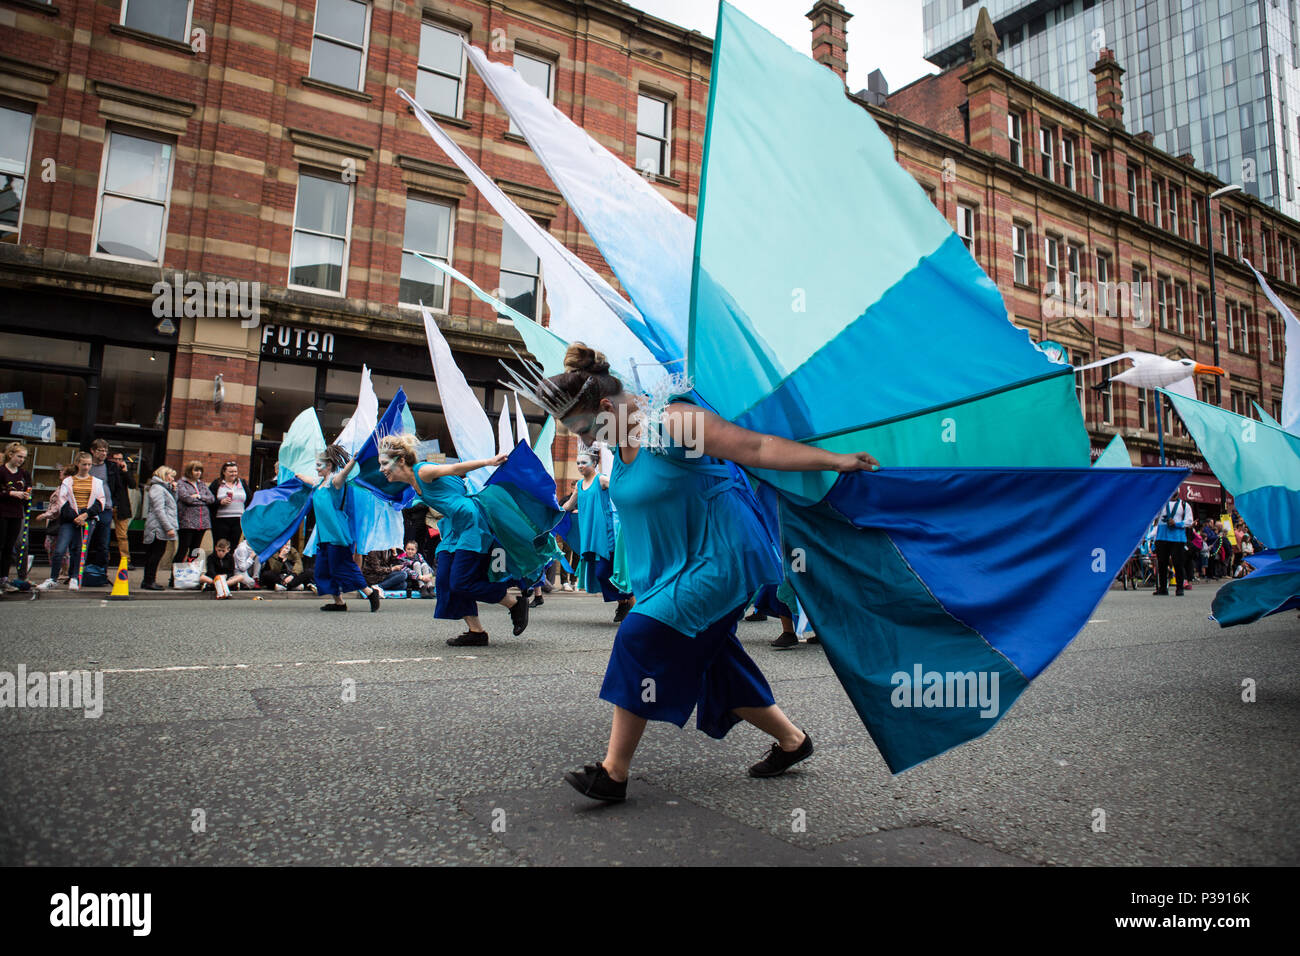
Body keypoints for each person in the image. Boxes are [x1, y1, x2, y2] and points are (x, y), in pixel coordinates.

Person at [519, 343, 879, 802]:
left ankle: (613, 773)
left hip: (721, 559)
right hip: (670, 571)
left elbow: (753, 447)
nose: (587, 441)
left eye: (586, 428)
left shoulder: (672, 423)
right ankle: (793, 741)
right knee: (714, 660)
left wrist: (836, 460)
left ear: (607, 407)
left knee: (640, 637)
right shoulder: (620, 445)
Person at [376, 433, 528, 644]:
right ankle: (477, 633)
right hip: (452, 528)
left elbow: (456, 468)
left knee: (462, 582)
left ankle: (514, 603)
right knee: (446, 581)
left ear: (401, 460)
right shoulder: (411, 484)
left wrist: (489, 461)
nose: (381, 469)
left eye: (384, 463)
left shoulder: (423, 471)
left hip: (470, 523)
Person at [295, 444, 381, 612]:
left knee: (342, 567)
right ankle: (339, 603)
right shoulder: (320, 483)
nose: (316, 467)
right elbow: (307, 479)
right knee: (323, 570)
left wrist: (355, 459)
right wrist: (296, 474)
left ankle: (370, 593)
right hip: (324, 537)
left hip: (337, 534)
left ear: (329, 466)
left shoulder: (335, 482)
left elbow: (344, 473)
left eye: (319, 465)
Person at [561, 450, 635, 622]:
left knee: (604, 572)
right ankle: (624, 603)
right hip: (590, 536)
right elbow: (568, 506)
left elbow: (620, 489)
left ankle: (630, 605)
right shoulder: (579, 485)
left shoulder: (601, 479)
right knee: (602, 573)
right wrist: (550, 511)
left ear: (594, 464)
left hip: (606, 534)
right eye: (578, 462)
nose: (580, 466)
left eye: (584, 462)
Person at [39, 452, 105, 590]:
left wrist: (85, 515)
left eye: (89, 464)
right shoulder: (68, 481)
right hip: (70, 519)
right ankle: (53, 578)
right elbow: (62, 501)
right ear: (77, 464)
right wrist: (75, 516)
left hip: (87, 519)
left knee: (79, 550)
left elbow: (100, 501)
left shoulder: (97, 482)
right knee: (60, 549)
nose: (87, 467)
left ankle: (74, 577)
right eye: (84, 464)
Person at [86, 438, 128, 569]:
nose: (103, 453)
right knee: (85, 541)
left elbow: (118, 486)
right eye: (100, 450)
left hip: (106, 508)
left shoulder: (111, 466)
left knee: (103, 542)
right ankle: (80, 571)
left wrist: (113, 502)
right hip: (87, 508)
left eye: (105, 451)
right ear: (92, 451)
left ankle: (101, 572)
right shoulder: (87, 465)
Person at [140, 466, 178, 590]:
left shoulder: (163, 488)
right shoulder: (157, 488)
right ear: (164, 475)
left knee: (156, 553)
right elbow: (159, 510)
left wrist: (174, 491)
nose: (172, 478)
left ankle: (149, 580)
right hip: (158, 526)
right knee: (155, 554)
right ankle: (149, 580)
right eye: (171, 476)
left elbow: (172, 505)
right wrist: (168, 527)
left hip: (161, 526)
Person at [1, 442, 32, 590]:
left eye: (24, 457)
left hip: (17, 513)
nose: (21, 460)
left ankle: (4, 578)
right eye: (19, 456)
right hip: (2, 511)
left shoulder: (24, 474)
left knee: (9, 546)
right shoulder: (1, 471)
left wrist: (27, 495)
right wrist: (11, 493)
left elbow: (29, 488)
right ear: (10, 455)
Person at [1152, 490, 1193, 596]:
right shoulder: (1161, 504)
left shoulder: (1184, 505)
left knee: (1178, 563)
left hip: (1177, 538)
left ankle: (1180, 588)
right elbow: (1153, 516)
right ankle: (1163, 588)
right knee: (1162, 563)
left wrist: (1177, 524)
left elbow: (1189, 521)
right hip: (1162, 537)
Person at [176, 462, 215, 563]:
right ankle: (175, 575)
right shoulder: (181, 483)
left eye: (200, 470)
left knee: (195, 550)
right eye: (196, 470)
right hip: (187, 522)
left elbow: (211, 499)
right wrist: (203, 502)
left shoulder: (201, 484)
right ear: (190, 471)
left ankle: (190, 573)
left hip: (202, 522)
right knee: (183, 549)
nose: (198, 473)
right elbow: (186, 498)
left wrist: (199, 497)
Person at [209, 461, 251, 547]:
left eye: (235, 471)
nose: (234, 474)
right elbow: (209, 500)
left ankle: (230, 560)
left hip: (238, 519)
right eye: (231, 472)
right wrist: (220, 502)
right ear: (224, 472)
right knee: (220, 546)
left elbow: (250, 499)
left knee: (233, 545)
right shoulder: (217, 483)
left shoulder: (242, 483)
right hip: (220, 520)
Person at [107, 449, 137, 566]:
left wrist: (125, 471)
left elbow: (132, 485)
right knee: (104, 534)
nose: (118, 461)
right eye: (116, 459)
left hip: (121, 507)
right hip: (108, 506)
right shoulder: (107, 470)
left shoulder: (123, 472)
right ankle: (105, 558)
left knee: (122, 536)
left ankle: (125, 560)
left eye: (120, 459)